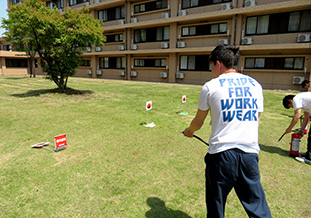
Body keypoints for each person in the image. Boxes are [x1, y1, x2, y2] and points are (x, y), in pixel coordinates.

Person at [183, 44, 271, 218]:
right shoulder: (256, 85)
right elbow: (257, 119)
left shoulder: (211, 86)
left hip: (221, 156)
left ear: (218, 63)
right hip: (249, 155)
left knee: (216, 205)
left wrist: (189, 131)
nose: (212, 70)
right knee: (257, 207)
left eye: (212, 66)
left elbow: (198, 122)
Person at [282, 93, 311, 160]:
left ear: (290, 101)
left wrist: (289, 128)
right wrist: (302, 130)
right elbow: (306, 116)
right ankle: (309, 153)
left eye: (291, 106)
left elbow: (297, 116)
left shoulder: (296, 99)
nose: (293, 107)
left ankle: (309, 159)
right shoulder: (305, 102)